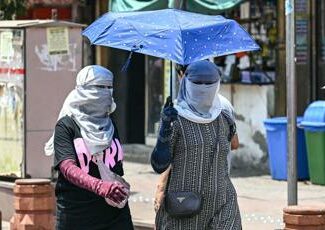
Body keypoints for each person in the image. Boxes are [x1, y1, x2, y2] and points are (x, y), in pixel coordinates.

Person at [151, 60, 242, 229]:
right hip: (184, 206)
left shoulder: (224, 118)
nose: (203, 88)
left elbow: (234, 144)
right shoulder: (175, 119)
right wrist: (164, 132)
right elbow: (159, 164)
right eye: (197, 83)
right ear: (186, 82)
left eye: (209, 83)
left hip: (223, 202)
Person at [46, 65, 133, 230]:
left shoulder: (110, 124)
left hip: (114, 213)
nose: (106, 92)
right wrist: (99, 186)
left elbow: (116, 165)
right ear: (83, 90)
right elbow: (67, 166)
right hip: (77, 216)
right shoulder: (67, 125)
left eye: (109, 87)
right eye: (100, 87)